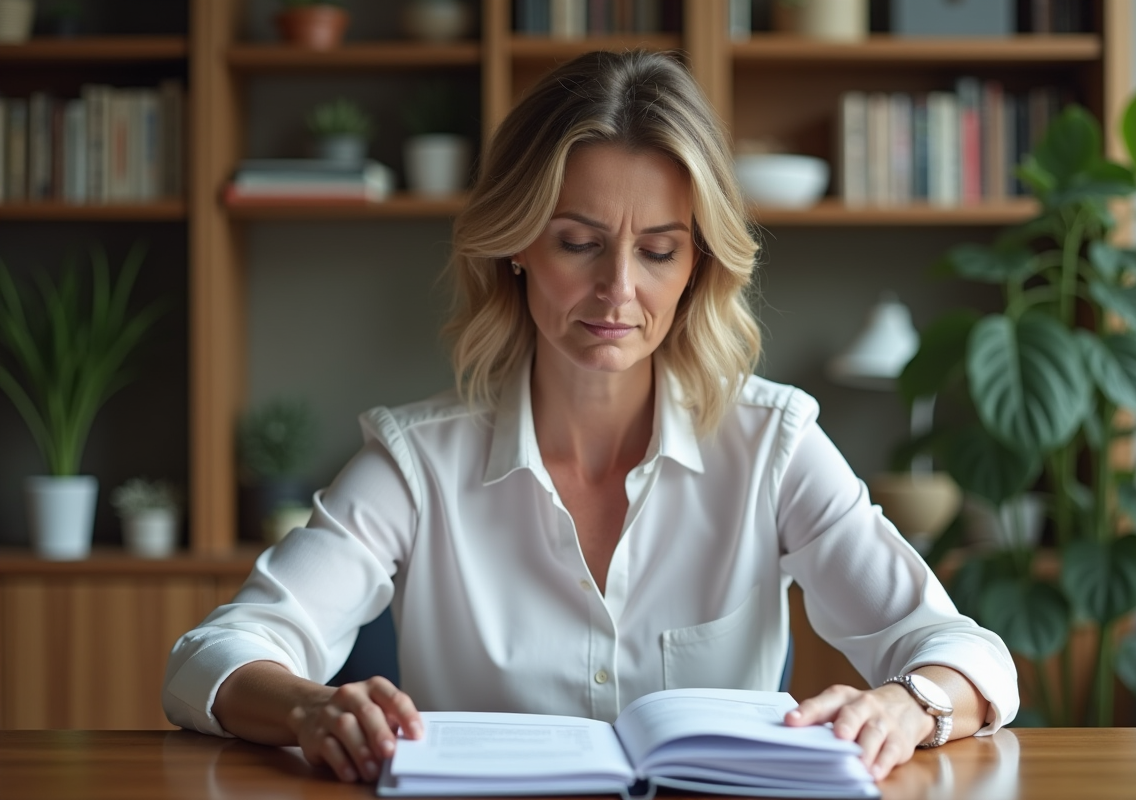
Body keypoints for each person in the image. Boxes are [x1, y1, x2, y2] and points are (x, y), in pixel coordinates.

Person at [163, 50, 1017, 785]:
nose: (618, 290)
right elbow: (212, 655)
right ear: (517, 245)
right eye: (578, 243)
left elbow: (968, 653)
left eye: (658, 251)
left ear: (697, 265)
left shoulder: (774, 443)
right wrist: (309, 707)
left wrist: (910, 704)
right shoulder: (416, 462)